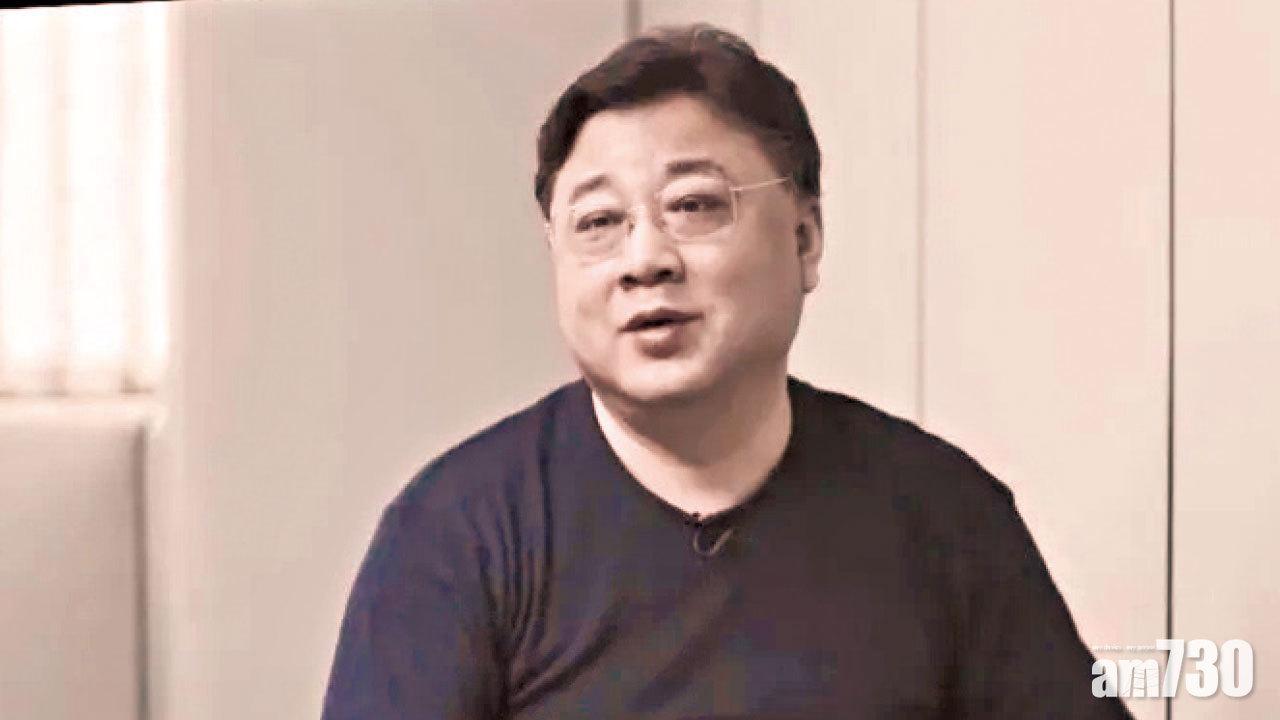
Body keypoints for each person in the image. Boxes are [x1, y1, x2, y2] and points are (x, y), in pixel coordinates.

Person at [322, 24, 1134, 719]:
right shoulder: (457, 536)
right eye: (599, 222)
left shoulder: (944, 515)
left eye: (694, 206)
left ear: (805, 239)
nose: (645, 259)